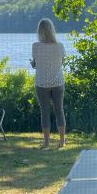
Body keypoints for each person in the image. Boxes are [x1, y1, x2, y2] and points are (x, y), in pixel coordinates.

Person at [30, 18, 66, 148]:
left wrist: (33, 64)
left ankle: (46, 142)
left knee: (44, 112)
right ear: (52, 30)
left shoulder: (36, 46)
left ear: (40, 31)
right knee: (59, 111)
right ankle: (62, 141)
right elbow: (61, 62)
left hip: (41, 83)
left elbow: (35, 64)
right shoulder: (60, 46)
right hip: (58, 82)